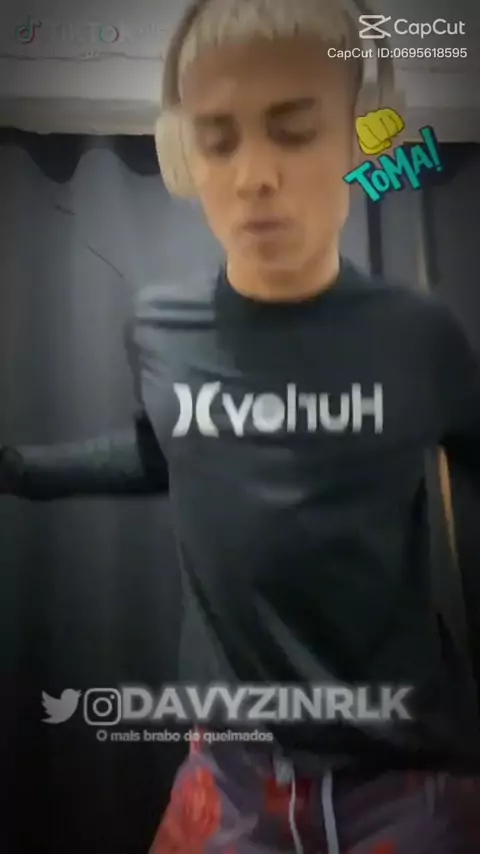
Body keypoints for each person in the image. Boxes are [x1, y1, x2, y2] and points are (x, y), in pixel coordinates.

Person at [2, 0, 480, 851]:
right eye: (220, 138)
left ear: (360, 139)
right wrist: (15, 467)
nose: (255, 174)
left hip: (406, 781)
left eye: (294, 131)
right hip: (228, 779)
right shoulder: (161, 329)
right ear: (184, 155)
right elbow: (164, 450)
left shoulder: (416, 336)